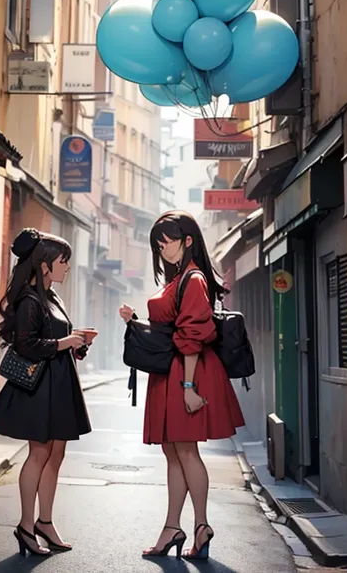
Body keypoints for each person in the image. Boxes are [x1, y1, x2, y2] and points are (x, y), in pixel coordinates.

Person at [119, 211, 244, 560]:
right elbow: (173, 330)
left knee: (186, 452)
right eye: (158, 244)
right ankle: (173, 527)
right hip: (173, 372)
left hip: (186, 374)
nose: (162, 249)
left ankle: (200, 525)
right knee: (173, 452)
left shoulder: (193, 279)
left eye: (167, 242)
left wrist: (189, 386)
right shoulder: (182, 279)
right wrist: (137, 323)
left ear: (188, 241)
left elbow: (192, 335)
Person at [0, 228, 94, 557]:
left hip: (60, 382)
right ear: (44, 266)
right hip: (39, 386)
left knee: (56, 454)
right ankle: (25, 525)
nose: (67, 267)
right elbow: (26, 344)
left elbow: (55, 339)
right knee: (39, 453)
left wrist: (77, 345)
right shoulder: (30, 300)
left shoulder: (53, 298)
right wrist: (65, 342)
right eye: (63, 262)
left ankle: (45, 522)